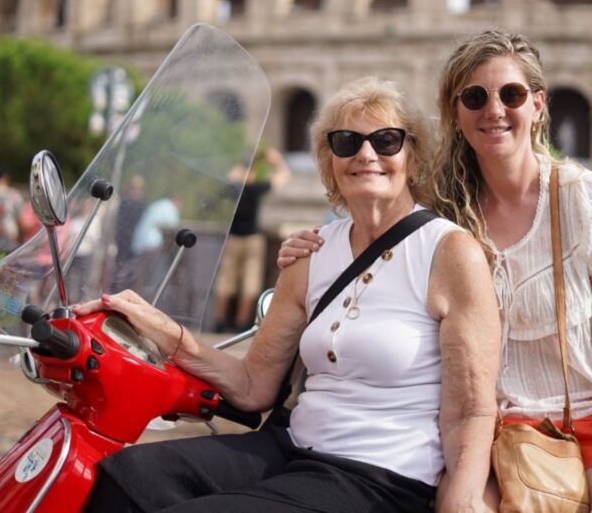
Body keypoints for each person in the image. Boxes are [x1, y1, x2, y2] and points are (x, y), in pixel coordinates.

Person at [279, 31, 592, 513]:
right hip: (489, 433)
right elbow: (370, 222)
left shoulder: (585, 199)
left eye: (511, 94)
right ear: (456, 113)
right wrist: (314, 245)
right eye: (474, 97)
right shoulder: (438, 209)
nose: (494, 110)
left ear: (538, 105)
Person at [77, 77, 502, 513]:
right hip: (292, 448)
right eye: (347, 142)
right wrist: (166, 331)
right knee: (124, 478)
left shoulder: (449, 252)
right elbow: (252, 386)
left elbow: (471, 409)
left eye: (386, 140)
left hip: (378, 475)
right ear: (329, 160)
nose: (366, 154)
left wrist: (464, 495)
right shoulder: (312, 252)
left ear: (412, 158)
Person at [213, 145, 291, 332]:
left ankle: (219, 321)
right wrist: (277, 161)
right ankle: (241, 322)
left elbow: (228, 178)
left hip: (233, 237)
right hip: (252, 238)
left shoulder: (234, 189)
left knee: (225, 280)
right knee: (250, 280)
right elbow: (283, 177)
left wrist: (239, 169)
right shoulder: (256, 188)